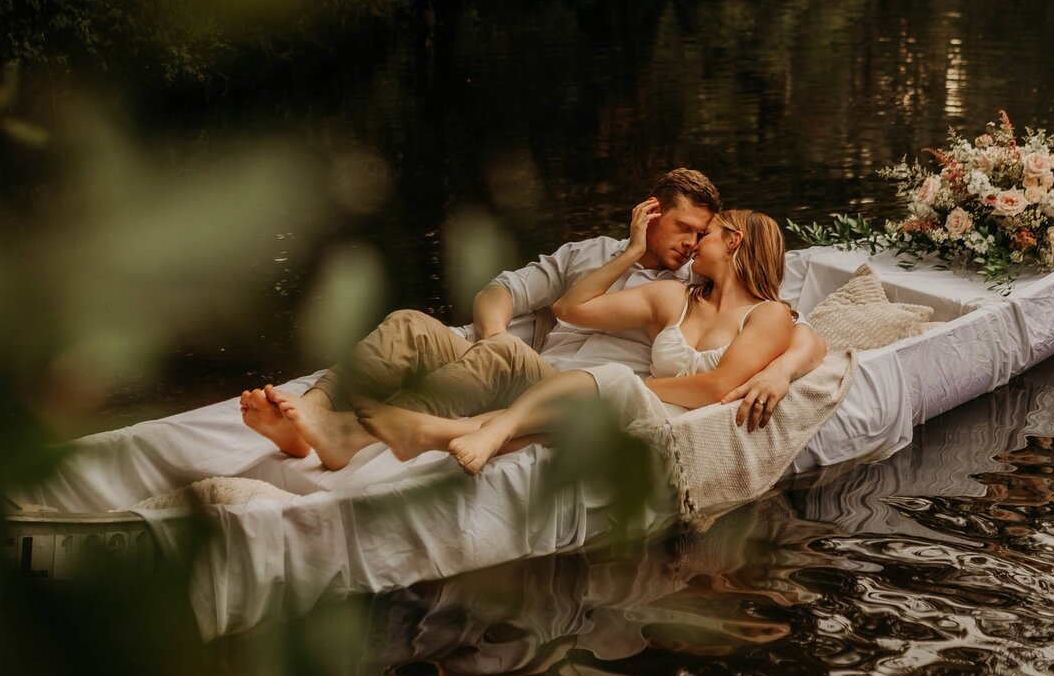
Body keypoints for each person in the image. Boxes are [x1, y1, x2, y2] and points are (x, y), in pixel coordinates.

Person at [239, 168, 824, 468]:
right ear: (651, 213)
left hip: (573, 385)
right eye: (686, 230)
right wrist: (625, 251)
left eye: (705, 234)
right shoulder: (597, 257)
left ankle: (351, 435)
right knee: (410, 324)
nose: (694, 245)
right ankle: (310, 413)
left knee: (504, 355)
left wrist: (781, 370)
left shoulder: (683, 290)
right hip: (529, 364)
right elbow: (522, 296)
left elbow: (792, 330)